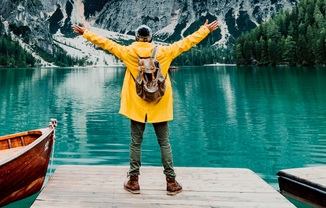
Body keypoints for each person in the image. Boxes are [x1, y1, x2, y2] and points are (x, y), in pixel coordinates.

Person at [72, 20, 219, 195]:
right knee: (164, 143)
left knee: (135, 143)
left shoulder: (127, 52)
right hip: (160, 103)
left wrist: (86, 33)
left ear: (136, 38)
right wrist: (204, 30)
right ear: (150, 39)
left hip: (137, 104)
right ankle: (171, 183)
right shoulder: (165, 52)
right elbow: (187, 42)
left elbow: (106, 43)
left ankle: (133, 182)